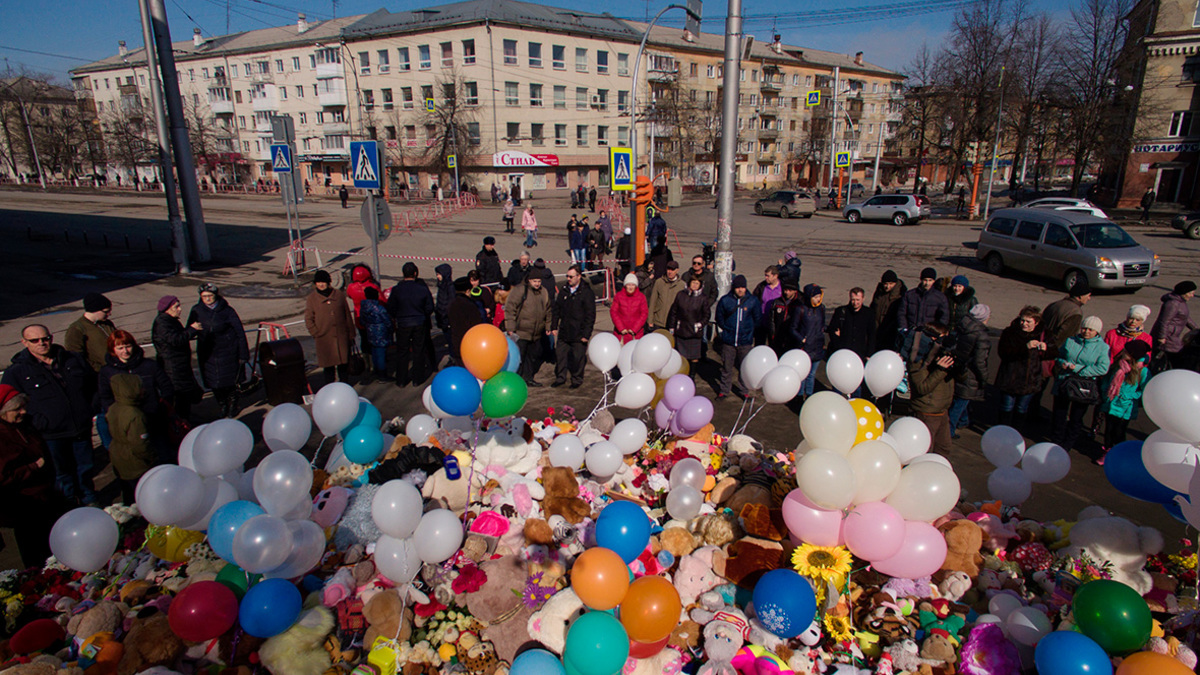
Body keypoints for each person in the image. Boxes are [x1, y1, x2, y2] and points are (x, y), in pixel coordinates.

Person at [2, 325, 97, 505]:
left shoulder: (72, 360)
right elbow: (10, 405)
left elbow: (93, 385)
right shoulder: (17, 372)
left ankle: (90, 500)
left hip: (80, 429)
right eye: (35, 340)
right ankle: (67, 505)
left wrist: (89, 409)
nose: (42, 343)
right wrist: (37, 423)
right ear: (24, 342)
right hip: (49, 435)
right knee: (61, 473)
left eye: (45, 338)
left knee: (85, 468)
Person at [0, 384, 62, 568]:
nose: (23, 411)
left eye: (23, 406)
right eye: (17, 409)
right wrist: (33, 467)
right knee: (36, 553)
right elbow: (3, 477)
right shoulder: (2, 438)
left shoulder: (24, 425)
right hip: (24, 505)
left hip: (45, 497)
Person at [98, 329, 173, 456]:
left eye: (128, 346)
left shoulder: (149, 365)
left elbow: (166, 387)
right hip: (127, 424)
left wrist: (163, 406)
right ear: (113, 350)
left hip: (153, 418)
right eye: (120, 348)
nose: (125, 351)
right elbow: (105, 396)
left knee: (163, 453)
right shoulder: (107, 372)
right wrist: (115, 415)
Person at [188, 283, 249, 419]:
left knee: (230, 382)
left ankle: (233, 404)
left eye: (210, 296)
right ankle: (222, 405)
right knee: (214, 383)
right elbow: (190, 329)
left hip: (227, 352)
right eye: (204, 297)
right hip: (208, 353)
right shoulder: (197, 310)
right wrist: (192, 330)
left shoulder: (227, 311)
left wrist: (243, 353)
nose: (207, 299)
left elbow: (239, 332)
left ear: (216, 295)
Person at [1052, 316, 1110, 453]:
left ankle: (1068, 443)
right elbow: (1058, 356)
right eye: (1084, 328)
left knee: (1076, 417)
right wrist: (1062, 363)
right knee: (1059, 414)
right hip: (1064, 381)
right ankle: (1056, 440)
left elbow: (1102, 368)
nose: (1086, 331)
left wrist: (1077, 368)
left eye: (1091, 329)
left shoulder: (1102, 347)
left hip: (1084, 386)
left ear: (1097, 332)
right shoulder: (1070, 341)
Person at [995, 306, 1052, 432]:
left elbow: (1053, 353)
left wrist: (1046, 349)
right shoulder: (1010, 332)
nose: (1024, 324)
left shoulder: (1043, 334)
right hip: (1011, 377)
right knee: (1006, 407)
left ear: (1036, 322)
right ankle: (1001, 432)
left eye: (1028, 322)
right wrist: (1024, 348)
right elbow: (1004, 353)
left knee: (1021, 409)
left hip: (1029, 380)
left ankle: (1016, 433)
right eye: (1022, 320)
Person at [105, 373, 158, 505]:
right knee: (143, 497)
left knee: (128, 494)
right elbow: (141, 446)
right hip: (135, 462)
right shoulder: (135, 415)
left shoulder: (113, 408)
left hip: (119, 457)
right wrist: (152, 459)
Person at [1097, 341, 1151, 465]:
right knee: (1109, 430)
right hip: (1111, 402)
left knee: (1119, 431)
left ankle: (1120, 453)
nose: (1123, 353)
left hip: (1125, 406)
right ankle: (1108, 452)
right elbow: (1107, 378)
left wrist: (1128, 396)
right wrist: (1105, 389)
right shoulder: (1118, 365)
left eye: (1126, 352)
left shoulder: (1142, 371)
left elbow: (1145, 390)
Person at [152, 295, 202, 422]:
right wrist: (192, 330)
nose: (180, 309)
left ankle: (184, 417)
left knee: (185, 394)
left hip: (179, 364)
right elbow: (175, 340)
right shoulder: (163, 323)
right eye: (176, 307)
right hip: (173, 367)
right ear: (167, 309)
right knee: (180, 396)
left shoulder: (170, 320)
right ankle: (180, 422)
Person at [305, 270, 357, 386]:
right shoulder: (312, 299)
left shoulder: (338, 295)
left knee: (343, 365)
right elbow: (308, 318)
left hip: (341, 337)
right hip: (324, 339)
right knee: (328, 368)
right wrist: (316, 333)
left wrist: (351, 333)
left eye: (323, 282)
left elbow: (346, 314)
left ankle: (344, 387)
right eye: (318, 282)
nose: (321, 284)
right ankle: (330, 388)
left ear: (329, 282)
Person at [388, 262, 435, 386]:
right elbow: (430, 307)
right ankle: (417, 379)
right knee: (418, 351)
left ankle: (401, 380)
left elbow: (391, 307)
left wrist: (397, 316)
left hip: (403, 323)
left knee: (402, 352)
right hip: (419, 322)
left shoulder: (397, 289)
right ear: (415, 273)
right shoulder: (422, 289)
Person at [949, 304, 990, 438]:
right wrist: (984, 378)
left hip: (957, 368)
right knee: (960, 402)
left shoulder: (962, 325)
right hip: (970, 374)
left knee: (961, 399)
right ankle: (949, 431)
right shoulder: (981, 335)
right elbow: (980, 361)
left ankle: (963, 420)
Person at [715, 275, 761, 399]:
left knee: (744, 368)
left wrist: (748, 331)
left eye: (742, 287)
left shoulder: (752, 301)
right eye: (738, 287)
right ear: (733, 288)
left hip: (745, 341)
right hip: (728, 341)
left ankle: (743, 391)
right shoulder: (725, 301)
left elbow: (757, 319)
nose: (740, 290)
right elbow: (719, 317)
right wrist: (727, 328)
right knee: (726, 367)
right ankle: (724, 390)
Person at [551, 265, 596, 388]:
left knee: (577, 358)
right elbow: (557, 310)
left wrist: (586, 334)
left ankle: (576, 380)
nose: (568, 278)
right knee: (560, 356)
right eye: (567, 276)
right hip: (565, 331)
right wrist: (554, 326)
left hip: (579, 333)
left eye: (571, 276)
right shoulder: (564, 290)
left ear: (579, 276)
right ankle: (560, 378)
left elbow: (590, 316)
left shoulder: (586, 293)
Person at [908, 342, 957, 456]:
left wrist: (959, 367)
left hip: (942, 410)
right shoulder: (918, 362)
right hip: (927, 412)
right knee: (923, 450)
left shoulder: (943, 358)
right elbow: (923, 388)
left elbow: (962, 378)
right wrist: (940, 370)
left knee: (943, 448)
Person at [506, 272, 553, 387]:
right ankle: (516, 380)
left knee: (532, 357)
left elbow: (548, 311)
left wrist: (548, 326)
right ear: (529, 280)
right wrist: (510, 327)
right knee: (519, 357)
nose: (537, 284)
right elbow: (510, 308)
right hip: (521, 332)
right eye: (534, 281)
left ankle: (528, 378)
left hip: (536, 333)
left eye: (539, 281)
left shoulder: (544, 292)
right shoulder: (520, 291)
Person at [668, 276, 712, 376]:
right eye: (693, 282)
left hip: (694, 332)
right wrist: (672, 327)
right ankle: (680, 374)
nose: (694, 285)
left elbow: (707, 315)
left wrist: (699, 325)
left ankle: (692, 376)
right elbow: (674, 311)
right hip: (681, 330)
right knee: (681, 356)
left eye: (697, 283)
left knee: (694, 357)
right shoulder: (681, 295)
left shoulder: (703, 298)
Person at [790, 284, 827, 399]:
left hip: (817, 347)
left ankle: (809, 395)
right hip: (805, 347)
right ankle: (799, 396)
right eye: (815, 297)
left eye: (819, 296)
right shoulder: (800, 310)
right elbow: (793, 328)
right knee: (803, 374)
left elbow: (822, 325)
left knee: (812, 374)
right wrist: (802, 339)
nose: (818, 299)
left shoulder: (821, 308)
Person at [64, 292, 117, 373]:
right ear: (94, 310)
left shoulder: (107, 324)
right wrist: (97, 368)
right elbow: (76, 356)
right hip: (99, 373)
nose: (109, 314)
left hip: (117, 368)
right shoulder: (77, 329)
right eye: (106, 311)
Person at [1150, 280, 1197, 371]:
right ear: (1184, 292)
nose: (1192, 296)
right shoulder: (1172, 304)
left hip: (1173, 335)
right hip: (1168, 337)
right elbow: (1164, 321)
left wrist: (1196, 329)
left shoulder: (1181, 303)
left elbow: (1186, 318)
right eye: (1191, 293)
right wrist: (1162, 337)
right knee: (1175, 355)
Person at [898, 267, 950, 340]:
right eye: (925, 280)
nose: (927, 283)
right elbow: (902, 313)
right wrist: (903, 328)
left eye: (930, 280)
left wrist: (937, 332)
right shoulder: (910, 295)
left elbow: (944, 317)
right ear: (921, 280)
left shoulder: (940, 297)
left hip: (929, 335)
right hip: (910, 332)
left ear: (934, 281)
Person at [1041, 279, 1092, 352]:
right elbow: (1065, 337)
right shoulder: (1075, 312)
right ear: (1080, 296)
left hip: (1042, 343)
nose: (1089, 298)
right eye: (1088, 295)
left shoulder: (1055, 304)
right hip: (1053, 350)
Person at [827, 287, 875, 364]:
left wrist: (869, 354)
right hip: (843, 353)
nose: (855, 302)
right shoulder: (841, 312)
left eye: (858, 300)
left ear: (863, 299)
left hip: (860, 354)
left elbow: (871, 335)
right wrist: (838, 347)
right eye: (853, 299)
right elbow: (832, 330)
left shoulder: (869, 313)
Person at [346, 265, 382, 363]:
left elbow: (349, 295)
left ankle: (367, 363)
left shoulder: (351, 288)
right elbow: (382, 300)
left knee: (364, 339)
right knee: (375, 341)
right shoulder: (373, 286)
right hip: (373, 318)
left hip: (359, 318)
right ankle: (376, 362)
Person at [360, 286, 393, 382]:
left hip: (370, 332)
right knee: (381, 354)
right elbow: (387, 321)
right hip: (381, 332)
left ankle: (376, 371)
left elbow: (362, 321)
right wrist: (390, 329)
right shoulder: (379, 308)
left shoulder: (364, 307)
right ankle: (382, 375)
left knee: (374, 353)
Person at [449, 277, 485, 366]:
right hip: (470, 343)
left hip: (456, 342)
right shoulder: (470, 305)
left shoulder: (451, 304)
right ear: (468, 291)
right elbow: (477, 324)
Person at [871, 270, 906, 354]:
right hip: (877, 329)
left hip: (890, 332)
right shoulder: (879, 292)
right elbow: (873, 307)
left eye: (890, 284)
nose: (887, 286)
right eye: (885, 284)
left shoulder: (900, 295)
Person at [612, 274, 648, 344]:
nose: (630, 287)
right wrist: (621, 328)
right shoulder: (618, 296)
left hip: (636, 335)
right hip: (621, 334)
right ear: (625, 285)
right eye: (628, 285)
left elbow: (644, 314)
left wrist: (635, 329)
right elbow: (614, 312)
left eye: (633, 285)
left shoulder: (641, 297)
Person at [765, 281, 800, 354]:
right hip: (777, 338)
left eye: (790, 290)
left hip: (791, 339)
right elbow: (771, 320)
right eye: (785, 290)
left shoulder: (799, 304)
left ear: (795, 291)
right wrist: (772, 335)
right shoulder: (777, 302)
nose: (787, 292)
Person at [649, 260, 685, 331]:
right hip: (658, 321)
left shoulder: (682, 285)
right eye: (668, 269)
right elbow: (653, 301)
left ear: (677, 270)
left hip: (673, 323)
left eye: (672, 270)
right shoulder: (659, 282)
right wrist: (650, 320)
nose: (670, 272)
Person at [434, 264, 454, 339]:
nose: (437, 276)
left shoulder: (450, 287)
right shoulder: (441, 286)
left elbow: (451, 303)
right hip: (442, 318)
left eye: (439, 274)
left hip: (447, 319)